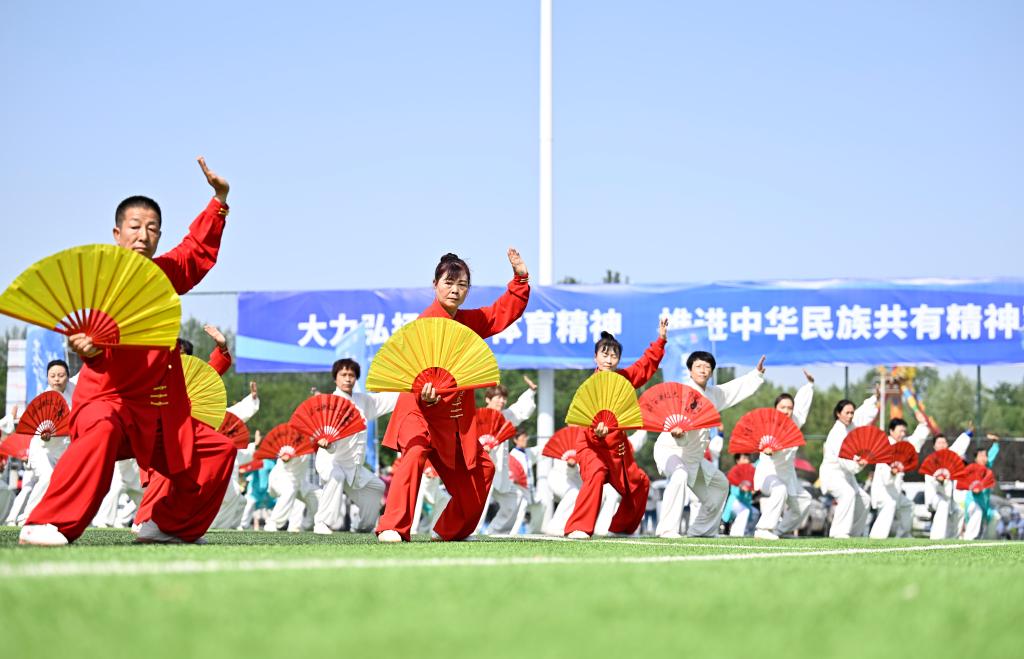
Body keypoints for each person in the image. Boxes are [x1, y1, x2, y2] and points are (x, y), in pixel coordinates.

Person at [20, 157, 236, 546]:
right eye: (135, 227)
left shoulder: (164, 274)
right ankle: (45, 523)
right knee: (101, 430)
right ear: (117, 233)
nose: (143, 235)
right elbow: (93, 344)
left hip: (160, 410)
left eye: (152, 229)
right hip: (109, 401)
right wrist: (88, 351)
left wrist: (219, 199)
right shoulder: (98, 284)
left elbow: (195, 251)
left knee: (216, 451)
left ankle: (165, 526)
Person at [376, 250, 530, 542]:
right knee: (415, 451)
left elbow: (499, 313)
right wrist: (423, 392)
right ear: (435, 284)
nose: (455, 290)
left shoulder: (468, 322)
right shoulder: (423, 324)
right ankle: (392, 526)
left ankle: (449, 530)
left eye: (462, 285)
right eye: (449, 282)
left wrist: (520, 280)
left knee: (483, 469)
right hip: (418, 411)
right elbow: (409, 370)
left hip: (453, 420)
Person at [563, 320, 667, 540]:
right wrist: (596, 433)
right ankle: (578, 527)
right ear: (595, 357)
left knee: (640, 483)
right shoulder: (590, 386)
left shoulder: (623, 379)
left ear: (618, 359)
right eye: (604, 355)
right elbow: (584, 423)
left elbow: (645, 366)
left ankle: (620, 528)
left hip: (617, 449)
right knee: (597, 472)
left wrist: (661, 340)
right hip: (591, 446)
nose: (609, 360)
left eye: (614, 356)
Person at [653, 351, 766, 538]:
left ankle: (701, 530)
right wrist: (679, 434)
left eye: (707, 367)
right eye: (698, 366)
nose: (703, 370)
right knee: (680, 475)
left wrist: (756, 375)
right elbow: (676, 423)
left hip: (693, 457)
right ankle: (666, 530)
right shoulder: (683, 394)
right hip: (671, 450)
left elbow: (732, 390)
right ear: (690, 371)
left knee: (720, 485)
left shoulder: (713, 394)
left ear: (712, 372)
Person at [313, 358, 398, 534]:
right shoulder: (330, 404)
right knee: (336, 476)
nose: (347, 379)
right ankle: (322, 523)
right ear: (335, 378)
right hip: (330, 460)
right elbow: (327, 437)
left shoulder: (362, 401)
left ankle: (364, 525)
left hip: (352, 464)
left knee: (377, 486)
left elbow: (384, 400)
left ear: (356, 378)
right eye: (343, 374)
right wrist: (328, 445)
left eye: (351, 375)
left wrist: (409, 390)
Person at [753, 370, 815, 540]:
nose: (786, 411)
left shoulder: (795, 422)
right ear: (775, 408)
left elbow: (802, 406)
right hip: (769, 474)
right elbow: (764, 442)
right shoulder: (768, 425)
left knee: (804, 501)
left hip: (788, 474)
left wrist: (809, 385)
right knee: (779, 490)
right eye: (782, 408)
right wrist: (767, 449)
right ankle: (763, 529)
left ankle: (782, 530)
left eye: (789, 408)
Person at [478, 379, 537, 535]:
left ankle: (492, 532)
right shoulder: (478, 417)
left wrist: (531, 391)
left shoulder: (505, 416)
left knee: (515, 498)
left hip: (500, 472)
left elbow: (520, 410)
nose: (502, 401)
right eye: (498, 397)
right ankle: (472, 532)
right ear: (488, 399)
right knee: (480, 503)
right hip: (481, 470)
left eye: (504, 398)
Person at [819, 395, 878, 539]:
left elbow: (863, 413)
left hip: (846, 474)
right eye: (847, 413)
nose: (850, 416)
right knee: (847, 494)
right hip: (832, 473)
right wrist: (858, 464)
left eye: (852, 413)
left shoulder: (851, 425)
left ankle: (854, 534)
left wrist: (875, 397)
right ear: (838, 414)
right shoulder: (836, 433)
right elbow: (842, 458)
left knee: (864, 500)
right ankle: (838, 532)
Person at [868, 412, 930, 539]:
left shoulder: (903, 446)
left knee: (908, 506)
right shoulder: (885, 446)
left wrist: (923, 424)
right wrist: (892, 473)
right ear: (891, 431)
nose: (902, 434)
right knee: (889, 506)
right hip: (884, 490)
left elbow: (916, 440)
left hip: (895, 490)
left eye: (904, 431)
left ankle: (903, 536)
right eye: (900, 431)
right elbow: (885, 476)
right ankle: (877, 538)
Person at [925, 429, 971, 539]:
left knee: (959, 512)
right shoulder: (931, 461)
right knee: (943, 505)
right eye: (939, 443)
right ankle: (936, 538)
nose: (942, 445)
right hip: (934, 496)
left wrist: (968, 434)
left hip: (948, 497)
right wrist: (939, 481)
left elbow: (959, 446)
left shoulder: (950, 456)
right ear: (934, 446)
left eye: (944, 442)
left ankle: (952, 540)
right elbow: (933, 482)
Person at [963, 434, 1000, 540]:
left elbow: (992, 455)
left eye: (985, 456)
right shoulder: (971, 469)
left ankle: (987, 541)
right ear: (975, 458)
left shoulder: (987, 468)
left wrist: (995, 443)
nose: (984, 458)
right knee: (977, 513)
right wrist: (974, 489)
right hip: (973, 502)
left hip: (985, 505)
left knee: (995, 516)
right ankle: (968, 539)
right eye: (981, 456)